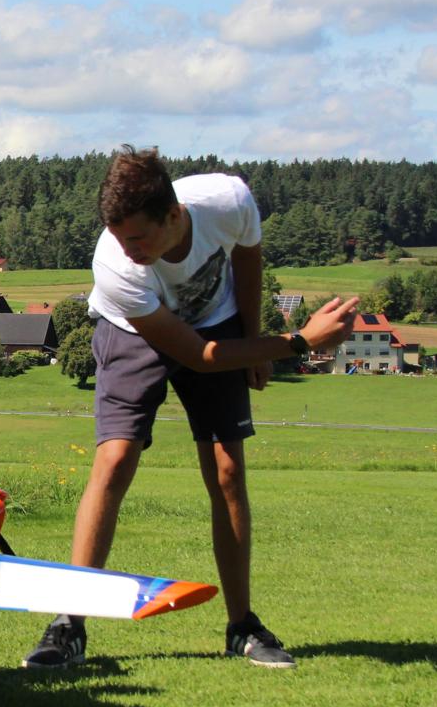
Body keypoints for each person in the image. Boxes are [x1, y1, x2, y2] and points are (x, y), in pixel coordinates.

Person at [23, 148, 357, 671]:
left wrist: (253, 340)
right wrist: (297, 342)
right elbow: (200, 357)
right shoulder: (116, 268)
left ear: (174, 215)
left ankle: (242, 627)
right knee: (115, 459)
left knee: (227, 471)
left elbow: (247, 259)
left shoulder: (229, 200)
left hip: (218, 319)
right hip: (134, 330)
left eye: (138, 238)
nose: (129, 249)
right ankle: (69, 626)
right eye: (119, 237)